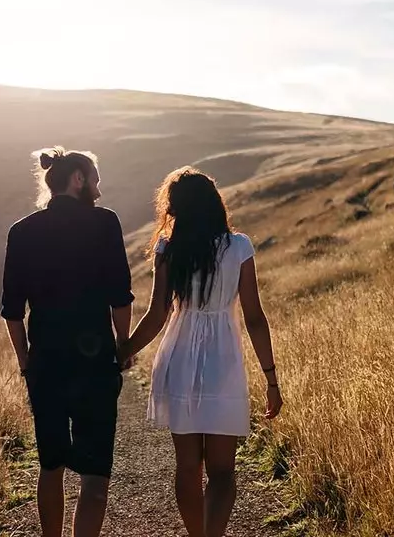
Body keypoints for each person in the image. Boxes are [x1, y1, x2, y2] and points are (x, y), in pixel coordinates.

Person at [119, 166, 283, 537]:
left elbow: (158, 313)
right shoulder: (238, 246)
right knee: (223, 472)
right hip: (223, 361)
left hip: (178, 357)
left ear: (175, 208)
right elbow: (255, 318)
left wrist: (125, 349)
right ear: (214, 204)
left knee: (188, 466)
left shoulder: (168, 248)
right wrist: (271, 379)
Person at [1, 146, 134, 537]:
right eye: (94, 178)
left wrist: (27, 361)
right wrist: (123, 345)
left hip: (46, 364)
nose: (98, 186)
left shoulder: (21, 231)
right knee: (94, 475)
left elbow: (12, 310)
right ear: (77, 179)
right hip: (94, 367)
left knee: (50, 465)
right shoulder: (105, 223)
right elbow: (120, 296)